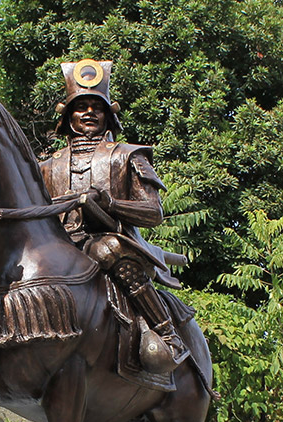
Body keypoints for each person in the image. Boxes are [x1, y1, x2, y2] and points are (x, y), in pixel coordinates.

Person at [40, 58, 189, 374]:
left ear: (109, 114)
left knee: (107, 248)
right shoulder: (47, 166)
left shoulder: (128, 156)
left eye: (97, 106)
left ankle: (166, 333)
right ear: (68, 117)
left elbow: (154, 212)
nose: (90, 112)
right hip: (58, 248)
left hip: (110, 243)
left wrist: (112, 204)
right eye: (82, 106)